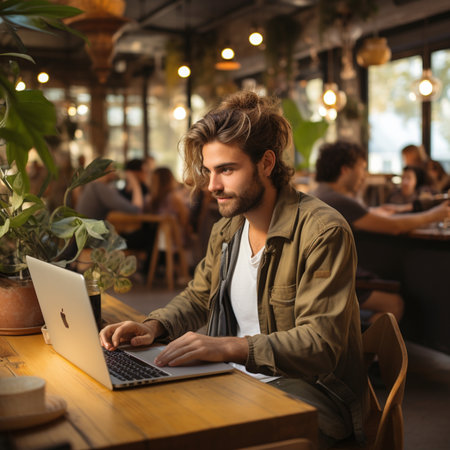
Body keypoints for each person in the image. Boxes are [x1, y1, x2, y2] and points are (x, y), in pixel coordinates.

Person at [100, 91, 369, 447]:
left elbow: (320, 345)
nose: (212, 186)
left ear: (266, 164)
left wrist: (226, 348)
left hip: (314, 395)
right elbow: (198, 297)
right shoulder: (227, 229)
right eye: (209, 171)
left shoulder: (322, 230)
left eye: (226, 170)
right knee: (139, 413)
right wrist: (153, 326)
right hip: (233, 378)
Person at [310, 141, 450, 324]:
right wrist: (434, 214)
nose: (364, 175)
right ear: (345, 170)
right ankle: (359, 349)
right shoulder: (339, 200)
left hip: (318, 279)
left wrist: (385, 211)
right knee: (394, 304)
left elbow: (365, 214)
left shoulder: (319, 193)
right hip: (331, 283)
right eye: (361, 168)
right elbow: (394, 227)